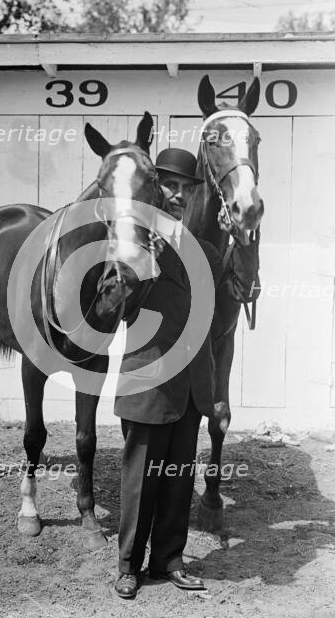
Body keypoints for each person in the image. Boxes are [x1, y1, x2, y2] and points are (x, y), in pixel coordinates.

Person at [114, 148, 222, 599]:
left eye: (186, 188)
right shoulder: (129, 243)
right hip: (148, 380)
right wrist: (141, 267)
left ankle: (170, 559)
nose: (177, 195)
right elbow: (115, 312)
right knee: (141, 477)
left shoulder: (207, 255)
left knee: (179, 477)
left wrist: (213, 391)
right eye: (170, 185)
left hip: (193, 384)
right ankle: (128, 566)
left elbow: (211, 326)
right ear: (156, 187)